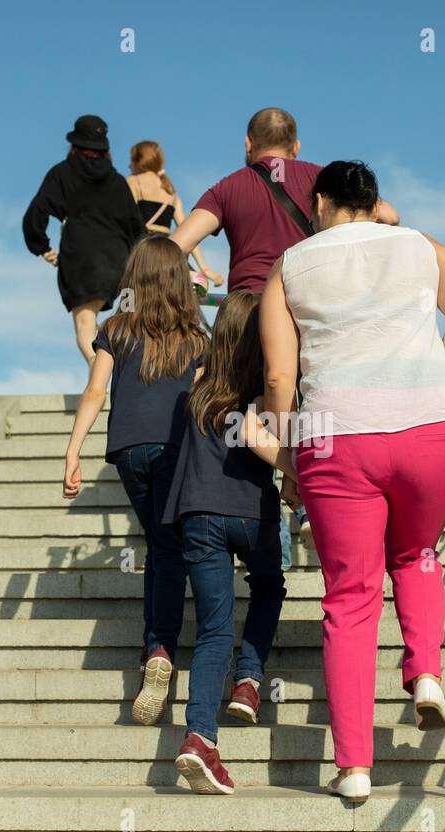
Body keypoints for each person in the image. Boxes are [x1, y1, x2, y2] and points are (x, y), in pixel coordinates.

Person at [259, 161, 445, 804]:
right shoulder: (420, 246)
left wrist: (287, 453)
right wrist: (435, 364)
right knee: (416, 555)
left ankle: (355, 768)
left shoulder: (291, 266)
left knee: (350, 598)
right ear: (375, 202)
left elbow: (280, 380)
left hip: (338, 435)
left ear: (322, 201)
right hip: (432, 426)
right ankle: (425, 675)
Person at [170, 107, 401, 567]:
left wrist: (190, 288)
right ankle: (317, 501)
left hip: (246, 321)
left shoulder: (228, 186)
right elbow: (389, 217)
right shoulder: (320, 181)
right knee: (309, 399)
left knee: (251, 412)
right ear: (296, 147)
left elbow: (177, 245)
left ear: (248, 144)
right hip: (312, 308)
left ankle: (270, 522)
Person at [64, 235, 210, 726]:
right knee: (171, 547)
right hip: (175, 447)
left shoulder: (115, 329)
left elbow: (93, 390)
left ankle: (155, 648)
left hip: (127, 449)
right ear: (179, 280)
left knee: (159, 543)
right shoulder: (196, 335)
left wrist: (72, 451)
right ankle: (161, 649)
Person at [162, 292, 292, 794]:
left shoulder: (197, 387)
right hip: (247, 513)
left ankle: (198, 738)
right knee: (268, 585)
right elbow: (260, 437)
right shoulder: (260, 389)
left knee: (214, 631)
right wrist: (297, 470)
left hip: (197, 515)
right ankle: (249, 680)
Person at [23, 114, 147, 365]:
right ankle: (127, 373)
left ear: (75, 144)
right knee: (128, 316)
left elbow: (36, 212)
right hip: (119, 262)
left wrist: (42, 247)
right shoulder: (117, 181)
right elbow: (136, 226)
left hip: (81, 261)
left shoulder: (62, 173)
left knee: (85, 324)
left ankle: (97, 371)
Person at [126, 141, 223, 287]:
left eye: (131, 160)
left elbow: (128, 218)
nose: (129, 165)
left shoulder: (133, 182)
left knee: (138, 296)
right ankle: (190, 274)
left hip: (145, 247)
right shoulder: (170, 190)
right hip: (168, 247)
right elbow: (188, 229)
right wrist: (205, 268)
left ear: (140, 162)